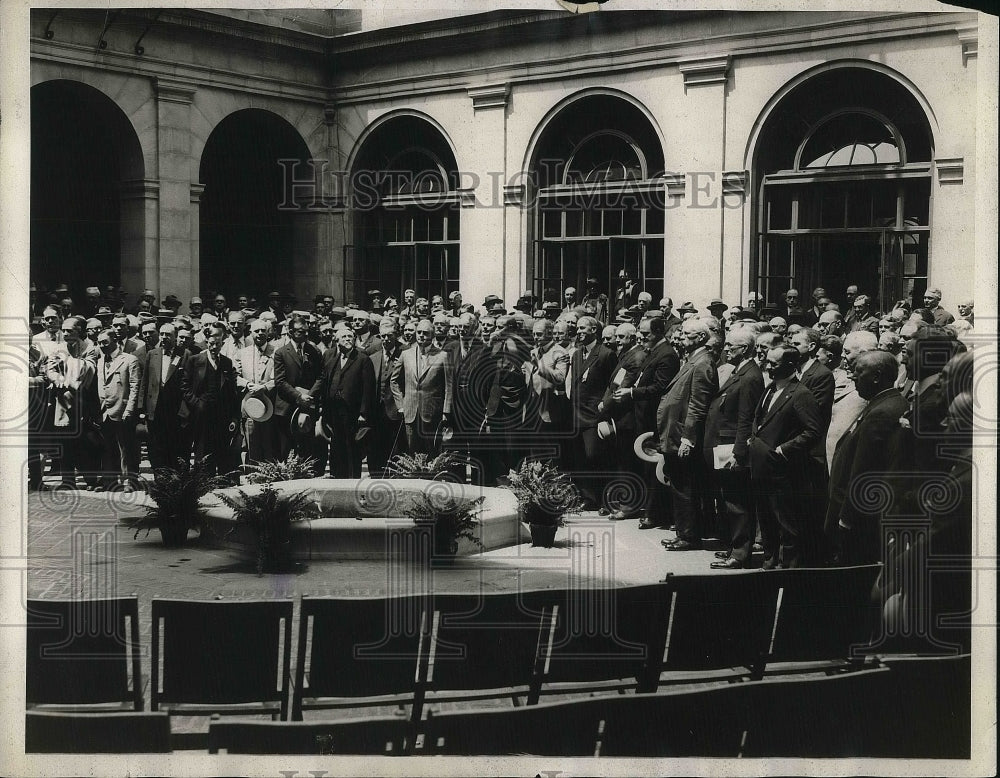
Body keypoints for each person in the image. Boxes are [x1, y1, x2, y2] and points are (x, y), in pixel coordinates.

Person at [825, 351, 908, 565]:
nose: (852, 376)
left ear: (877, 376)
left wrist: (847, 518)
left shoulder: (881, 412)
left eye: (858, 372)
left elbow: (864, 472)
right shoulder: (886, 403)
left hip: (858, 521)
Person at [748, 344, 823, 568]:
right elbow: (759, 419)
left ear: (790, 365)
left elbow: (812, 431)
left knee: (786, 523)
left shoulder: (800, 394)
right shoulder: (770, 388)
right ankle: (769, 562)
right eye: (767, 361)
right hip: (761, 468)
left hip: (783, 471)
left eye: (774, 363)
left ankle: (788, 567)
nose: (767, 365)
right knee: (767, 520)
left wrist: (783, 449)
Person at [705, 327, 765, 568]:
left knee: (737, 501)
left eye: (732, 346)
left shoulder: (750, 376)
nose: (727, 349)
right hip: (724, 443)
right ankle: (735, 546)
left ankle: (740, 553)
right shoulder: (740, 371)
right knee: (729, 499)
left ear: (746, 349)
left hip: (732, 446)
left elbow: (746, 418)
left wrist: (739, 454)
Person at [658, 318, 719, 551]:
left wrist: (688, 438)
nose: (681, 338)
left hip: (684, 435)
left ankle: (688, 535)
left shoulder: (703, 363)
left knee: (685, 488)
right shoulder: (693, 359)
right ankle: (684, 531)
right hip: (675, 432)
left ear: (701, 338)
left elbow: (698, 404)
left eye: (686, 334)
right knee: (679, 485)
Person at [310, 324, 376, 479]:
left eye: (350, 337)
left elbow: (368, 389)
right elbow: (325, 381)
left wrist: (363, 413)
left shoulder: (362, 359)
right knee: (336, 448)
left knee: (352, 448)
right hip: (333, 413)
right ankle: (336, 478)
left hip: (352, 413)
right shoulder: (332, 358)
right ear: (336, 340)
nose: (348, 339)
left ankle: (352, 481)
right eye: (344, 337)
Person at [567, 315, 619, 511]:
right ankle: (587, 498)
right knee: (580, 459)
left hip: (594, 416)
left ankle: (606, 500)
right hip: (576, 415)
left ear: (593, 331)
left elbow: (612, 385)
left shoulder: (606, 354)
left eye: (583, 329)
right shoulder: (576, 354)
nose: (579, 332)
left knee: (596, 458)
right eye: (578, 329)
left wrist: (604, 410)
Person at [46, 317, 102, 489]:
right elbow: (50, 368)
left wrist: (66, 363)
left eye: (70, 330)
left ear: (81, 331)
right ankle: (67, 480)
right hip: (63, 402)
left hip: (84, 402)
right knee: (64, 441)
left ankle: (91, 479)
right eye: (64, 330)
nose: (66, 333)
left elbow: (88, 371)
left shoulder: (91, 348)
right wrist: (57, 378)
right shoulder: (59, 348)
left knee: (85, 442)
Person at [181, 322, 241, 480]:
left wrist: (233, 415)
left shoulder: (227, 362)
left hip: (221, 416)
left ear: (222, 343)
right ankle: (203, 483)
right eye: (212, 344)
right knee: (202, 450)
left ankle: (222, 483)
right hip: (201, 415)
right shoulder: (195, 360)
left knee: (221, 449)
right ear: (207, 342)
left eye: (218, 344)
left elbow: (231, 391)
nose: (215, 347)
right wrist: (197, 405)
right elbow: (185, 388)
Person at [393, 319, 453, 456]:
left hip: (432, 412)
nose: (421, 335)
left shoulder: (443, 356)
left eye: (425, 333)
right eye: (419, 332)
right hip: (410, 412)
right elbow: (394, 380)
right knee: (411, 451)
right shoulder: (406, 354)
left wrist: (446, 410)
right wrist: (400, 405)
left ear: (432, 335)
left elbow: (449, 385)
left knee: (431, 451)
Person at [273, 314, 326, 471]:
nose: (305, 335)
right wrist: (298, 396)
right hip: (287, 407)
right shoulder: (281, 353)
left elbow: (321, 376)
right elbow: (280, 381)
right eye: (300, 332)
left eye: (306, 331)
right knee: (286, 450)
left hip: (308, 406)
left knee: (306, 450)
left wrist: (310, 395)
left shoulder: (314, 351)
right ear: (290, 331)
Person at [94, 329, 141, 492]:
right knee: (107, 448)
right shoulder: (100, 361)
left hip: (122, 409)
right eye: (99, 342)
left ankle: (129, 482)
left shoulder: (129, 360)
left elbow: (135, 387)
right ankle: (110, 482)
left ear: (115, 340)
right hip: (104, 411)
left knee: (125, 449)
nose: (101, 345)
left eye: (105, 342)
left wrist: (129, 409)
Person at [140, 323, 191, 471]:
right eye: (162, 334)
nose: (164, 337)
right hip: (155, 408)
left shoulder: (185, 354)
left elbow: (188, 384)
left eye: (168, 334)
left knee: (175, 446)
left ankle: (175, 479)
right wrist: (141, 408)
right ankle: (159, 478)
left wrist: (185, 411)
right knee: (156, 446)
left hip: (175, 410)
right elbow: (145, 382)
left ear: (175, 337)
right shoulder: (152, 354)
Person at [233, 319, 277, 465]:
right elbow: (235, 376)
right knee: (251, 443)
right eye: (256, 331)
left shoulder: (276, 352)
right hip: (249, 405)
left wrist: (265, 387)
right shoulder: (242, 353)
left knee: (269, 443)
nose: (259, 334)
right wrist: (247, 384)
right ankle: (252, 478)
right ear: (250, 333)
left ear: (268, 333)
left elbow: (280, 378)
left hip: (270, 406)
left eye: (262, 331)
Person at [367, 317, 406, 478]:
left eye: (390, 335)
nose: (386, 339)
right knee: (375, 449)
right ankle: (376, 478)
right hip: (376, 411)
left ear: (396, 335)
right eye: (383, 336)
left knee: (396, 449)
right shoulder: (372, 354)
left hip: (395, 410)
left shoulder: (405, 352)